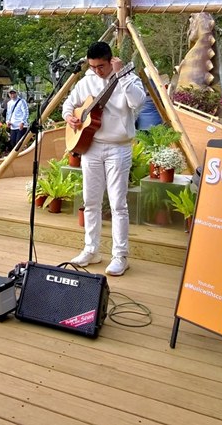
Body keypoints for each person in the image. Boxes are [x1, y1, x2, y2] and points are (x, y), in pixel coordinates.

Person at [62, 41, 145, 276]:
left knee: (118, 204)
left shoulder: (127, 77)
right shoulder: (86, 80)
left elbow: (138, 102)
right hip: (91, 146)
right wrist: (70, 117)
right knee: (90, 202)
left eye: (101, 66)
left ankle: (120, 255)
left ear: (111, 60)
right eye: (93, 66)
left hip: (119, 147)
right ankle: (91, 249)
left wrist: (121, 74)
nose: (97, 71)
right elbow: (69, 104)